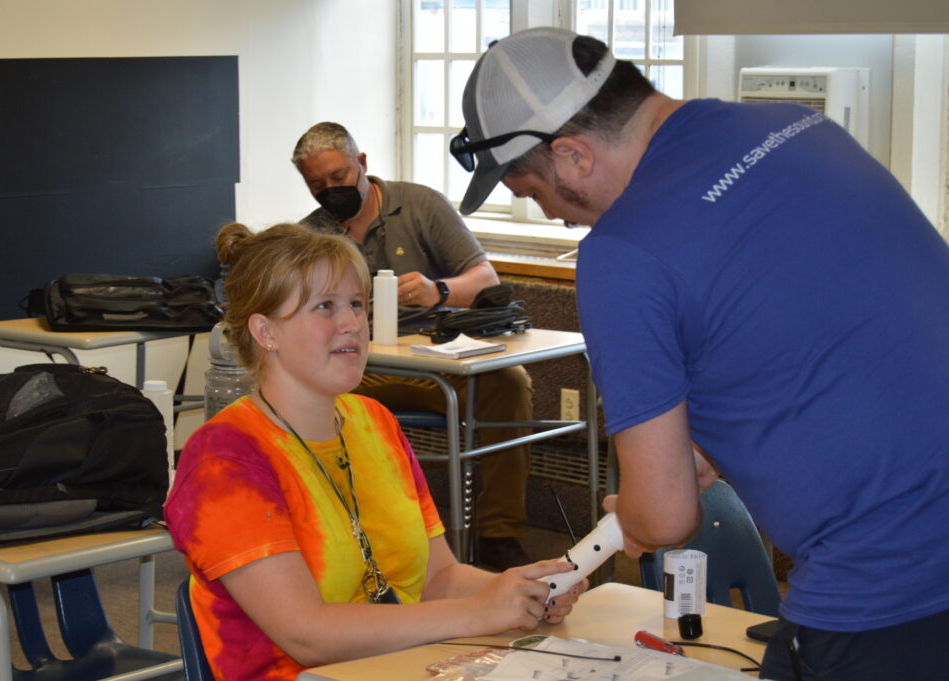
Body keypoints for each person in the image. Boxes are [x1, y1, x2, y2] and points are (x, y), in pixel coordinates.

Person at [453, 26, 949, 681]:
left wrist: (638, 510)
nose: (556, 218)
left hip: (889, 586)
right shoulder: (798, 128)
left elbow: (664, 514)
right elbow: (815, 333)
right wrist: (704, 450)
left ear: (572, 155)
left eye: (533, 192)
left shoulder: (622, 252)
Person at [164, 222, 585, 681]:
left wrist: (520, 591)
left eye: (357, 305)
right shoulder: (225, 459)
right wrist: (481, 613)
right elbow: (306, 634)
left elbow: (438, 579)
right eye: (325, 306)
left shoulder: (374, 421)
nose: (351, 323)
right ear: (265, 332)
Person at [292, 121, 535, 570]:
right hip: (360, 368)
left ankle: (498, 535)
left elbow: (485, 279)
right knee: (303, 396)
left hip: (437, 359)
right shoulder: (312, 236)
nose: (330, 191)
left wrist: (437, 291)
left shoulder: (420, 205)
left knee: (508, 383)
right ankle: (346, 534)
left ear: (362, 164)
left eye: (339, 178)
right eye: (317, 185)